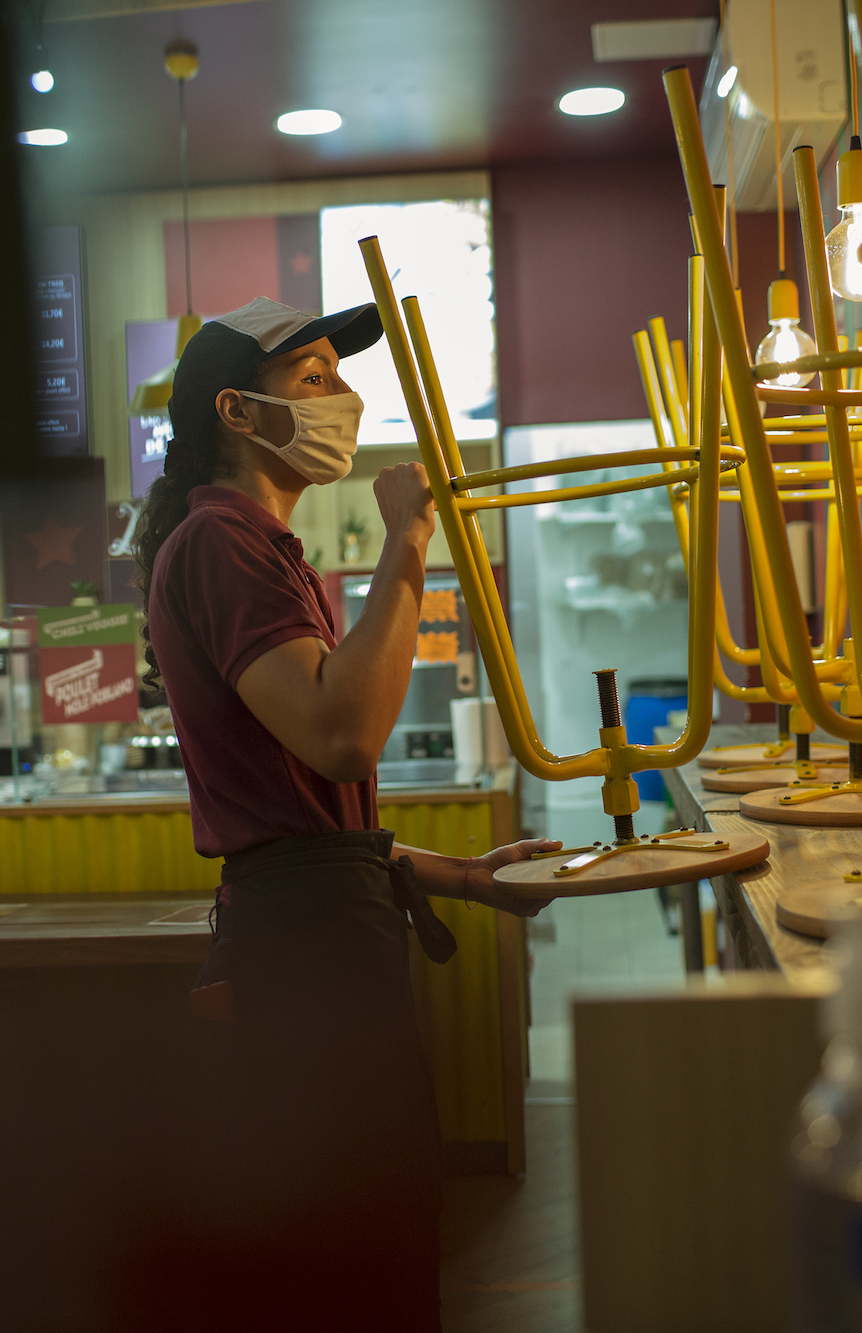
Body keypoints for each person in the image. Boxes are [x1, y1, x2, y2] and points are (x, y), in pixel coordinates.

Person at [132, 296, 557, 1330]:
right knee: (357, 1248)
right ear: (237, 411)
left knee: (372, 1228)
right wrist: (405, 540)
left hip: (323, 922)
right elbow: (339, 737)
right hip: (307, 956)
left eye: (339, 371)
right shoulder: (222, 544)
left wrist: (457, 875)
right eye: (311, 375)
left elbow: (310, 826)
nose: (343, 396)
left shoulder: (260, 547)